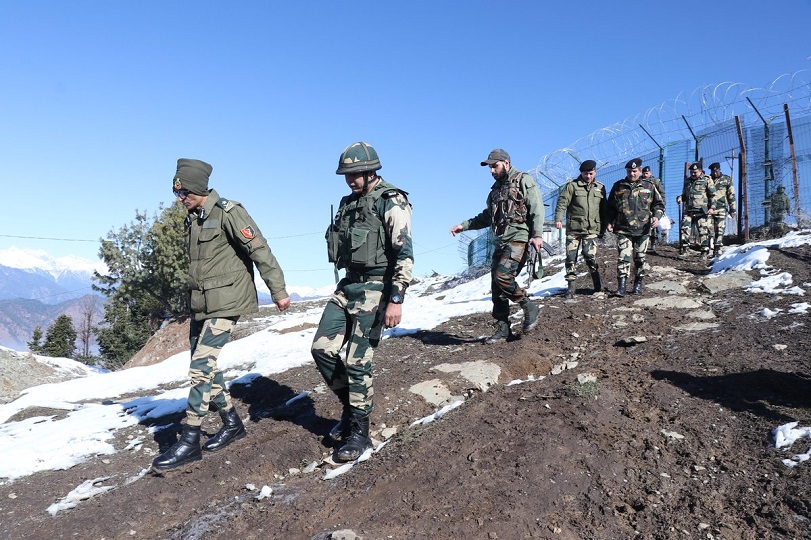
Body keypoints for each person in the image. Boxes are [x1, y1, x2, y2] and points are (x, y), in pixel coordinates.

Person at [152, 158, 291, 472]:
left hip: (228, 302)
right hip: (203, 304)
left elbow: (259, 249)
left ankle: (189, 441)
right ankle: (232, 423)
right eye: (177, 192)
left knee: (201, 366)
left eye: (184, 192)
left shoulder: (229, 212)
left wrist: (278, 289)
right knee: (205, 365)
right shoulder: (196, 217)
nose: (179, 198)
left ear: (198, 188)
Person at [312, 142, 413, 462]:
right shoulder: (348, 203)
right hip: (348, 287)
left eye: (355, 174)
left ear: (372, 170)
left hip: (376, 289)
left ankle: (360, 432)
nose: (350, 180)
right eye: (346, 175)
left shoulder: (391, 200)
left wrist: (396, 298)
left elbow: (404, 253)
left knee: (357, 361)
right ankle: (351, 405)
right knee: (321, 349)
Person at [450, 149, 543, 342]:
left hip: (519, 237)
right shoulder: (495, 191)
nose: (492, 170)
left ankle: (529, 306)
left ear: (506, 163)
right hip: (500, 240)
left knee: (503, 276)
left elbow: (536, 207)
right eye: (490, 167)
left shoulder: (523, 180)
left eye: (495, 166)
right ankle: (503, 329)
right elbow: (487, 216)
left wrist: (537, 235)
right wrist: (464, 226)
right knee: (497, 287)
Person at [606, 158, 664, 296]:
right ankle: (621, 287)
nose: (632, 174)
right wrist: (609, 221)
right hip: (623, 229)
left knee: (640, 258)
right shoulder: (618, 186)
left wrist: (656, 216)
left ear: (640, 171)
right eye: (629, 171)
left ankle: (638, 284)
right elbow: (610, 207)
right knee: (623, 258)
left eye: (635, 171)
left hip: (643, 229)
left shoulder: (649, 186)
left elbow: (659, 204)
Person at [553, 159, 608, 298]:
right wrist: (558, 219)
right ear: (581, 173)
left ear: (595, 172)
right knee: (571, 258)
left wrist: (605, 224)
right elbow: (562, 202)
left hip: (592, 229)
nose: (588, 176)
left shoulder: (600, 188)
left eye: (590, 173)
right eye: (585, 173)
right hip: (574, 229)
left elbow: (604, 208)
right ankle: (571, 287)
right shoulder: (572, 186)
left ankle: (598, 285)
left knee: (589, 255)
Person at [676, 162, 716, 259]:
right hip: (689, 210)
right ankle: (685, 249)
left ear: (700, 171)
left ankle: (704, 252)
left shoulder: (706, 180)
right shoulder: (687, 181)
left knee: (703, 231)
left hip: (702, 211)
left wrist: (712, 207)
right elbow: (685, 195)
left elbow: (713, 195)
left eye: (695, 172)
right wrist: (680, 198)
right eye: (691, 172)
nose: (693, 174)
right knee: (684, 228)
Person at [708, 162, 736, 258]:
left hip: (721, 207)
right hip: (709, 208)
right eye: (713, 171)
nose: (715, 173)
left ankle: (718, 247)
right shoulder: (708, 179)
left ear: (719, 170)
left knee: (720, 228)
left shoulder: (726, 179)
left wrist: (733, 209)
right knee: (709, 228)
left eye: (716, 171)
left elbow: (731, 194)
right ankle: (709, 247)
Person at [641, 166, 665, 253]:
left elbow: (661, 193)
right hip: (643, 206)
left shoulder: (655, 181)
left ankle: (653, 242)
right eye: (643, 173)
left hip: (653, 205)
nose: (645, 175)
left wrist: (662, 205)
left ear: (650, 173)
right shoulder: (640, 181)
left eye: (646, 173)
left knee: (653, 224)